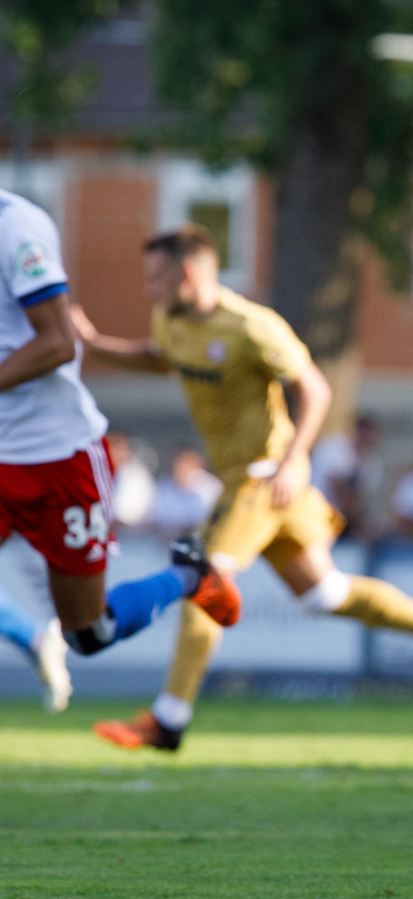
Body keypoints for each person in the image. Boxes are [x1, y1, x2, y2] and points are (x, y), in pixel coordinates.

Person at [71, 224, 413, 751]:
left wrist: (295, 462)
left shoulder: (251, 326)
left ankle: (168, 719)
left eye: (156, 278)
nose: (147, 290)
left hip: (262, 477)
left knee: (201, 578)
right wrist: (94, 347)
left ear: (187, 273)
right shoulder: (172, 320)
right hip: (254, 484)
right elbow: (164, 357)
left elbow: (315, 388)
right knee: (326, 593)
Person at [0, 187, 242, 715]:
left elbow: (60, 342)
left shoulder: (16, 226)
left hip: (56, 456)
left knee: (89, 633)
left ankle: (188, 577)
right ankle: (31, 637)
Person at [310, 414, 384, 539]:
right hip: (316, 513)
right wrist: (356, 524)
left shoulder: (372, 464)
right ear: (358, 430)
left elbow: (359, 497)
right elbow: (338, 488)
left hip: (340, 521)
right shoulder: (333, 448)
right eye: (368, 432)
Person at [144, 447, 224, 536]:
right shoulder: (162, 486)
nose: (179, 468)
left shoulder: (212, 487)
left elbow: (216, 521)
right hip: (166, 541)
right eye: (177, 464)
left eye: (185, 463)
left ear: (197, 464)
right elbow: (153, 521)